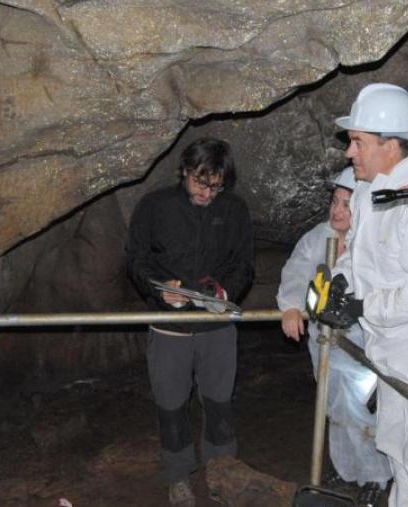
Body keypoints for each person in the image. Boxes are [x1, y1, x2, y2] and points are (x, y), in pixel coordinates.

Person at [322, 83, 408, 506]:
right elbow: (359, 256)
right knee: (397, 451)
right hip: (387, 347)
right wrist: (341, 283)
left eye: (358, 142)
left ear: (389, 145)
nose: (349, 152)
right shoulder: (371, 192)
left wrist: (364, 306)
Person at [127, 137, 254, 507]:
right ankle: (178, 475)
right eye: (201, 183)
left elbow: (244, 263)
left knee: (219, 403)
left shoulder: (234, 209)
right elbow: (136, 258)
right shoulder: (155, 207)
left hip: (217, 326)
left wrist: (226, 292)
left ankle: (222, 471)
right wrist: (159, 289)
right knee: (171, 406)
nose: (207, 193)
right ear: (184, 170)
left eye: (216, 186)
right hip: (170, 326)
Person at [276, 167, 392, 505]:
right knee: (334, 406)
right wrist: (291, 305)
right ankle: (347, 470)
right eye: (335, 202)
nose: (337, 210)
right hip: (323, 336)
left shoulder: (373, 241)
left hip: (360, 338)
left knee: (355, 407)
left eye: (346, 205)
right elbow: (297, 271)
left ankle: (376, 474)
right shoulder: (318, 236)